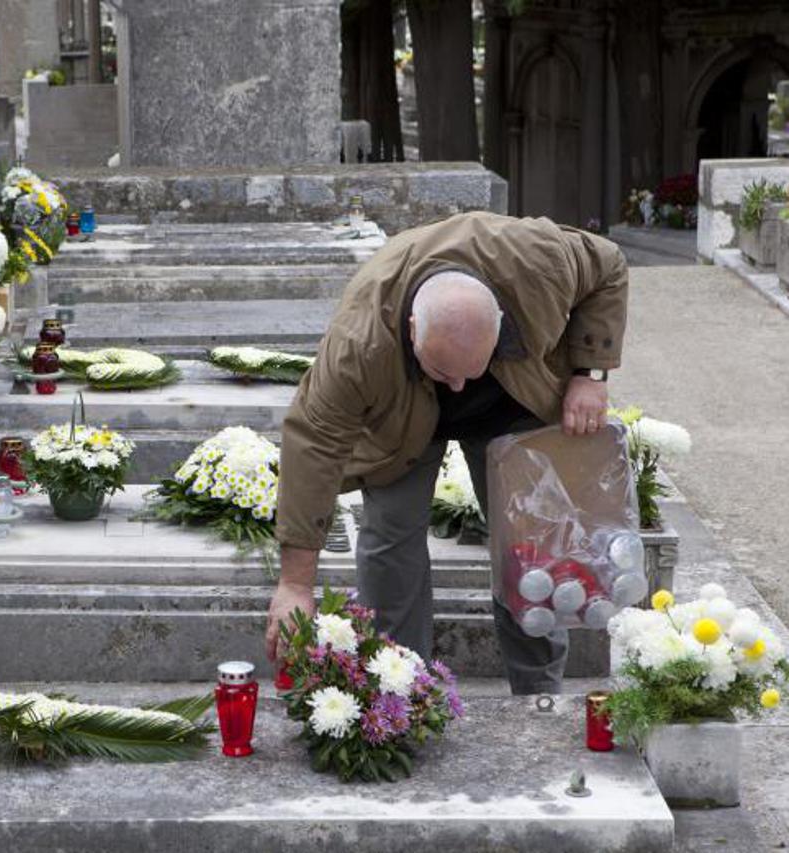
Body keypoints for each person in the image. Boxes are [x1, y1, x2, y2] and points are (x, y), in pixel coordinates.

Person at [263, 211, 628, 694]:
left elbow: (609, 264)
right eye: (444, 371)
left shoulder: (538, 260)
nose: (458, 384)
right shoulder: (360, 342)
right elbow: (313, 441)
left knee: (533, 547)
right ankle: (399, 690)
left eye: (466, 372)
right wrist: (295, 585)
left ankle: (539, 691)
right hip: (404, 414)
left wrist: (589, 371)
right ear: (413, 327)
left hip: (510, 397)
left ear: (499, 320)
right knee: (391, 539)